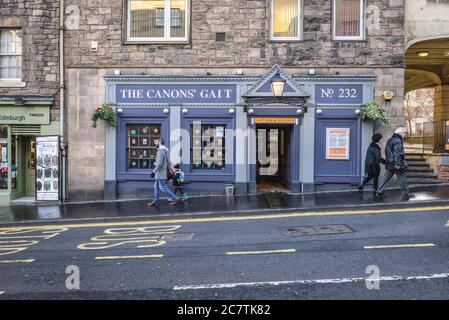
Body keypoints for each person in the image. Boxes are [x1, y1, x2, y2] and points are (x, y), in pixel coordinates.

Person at [376, 127, 416, 201]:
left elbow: (386, 151)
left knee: (385, 178)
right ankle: (406, 193)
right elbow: (398, 153)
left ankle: (379, 191)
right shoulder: (398, 140)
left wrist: (389, 161)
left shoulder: (390, 140)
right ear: (400, 133)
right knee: (402, 178)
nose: (405, 135)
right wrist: (398, 164)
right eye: (405, 133)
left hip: (390, 163)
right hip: (396, 164)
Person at [148, 139, 178, 206]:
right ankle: (155, 201)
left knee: (163, 187)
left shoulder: (160, 151)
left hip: (160, 173)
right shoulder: (166, 150)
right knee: (156, 187)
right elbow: (169, 162)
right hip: (163, 172)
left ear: (160, 143)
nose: (156, 144)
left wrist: (153, 172)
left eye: (157, 142)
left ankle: (175, 198)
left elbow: (159, 164)